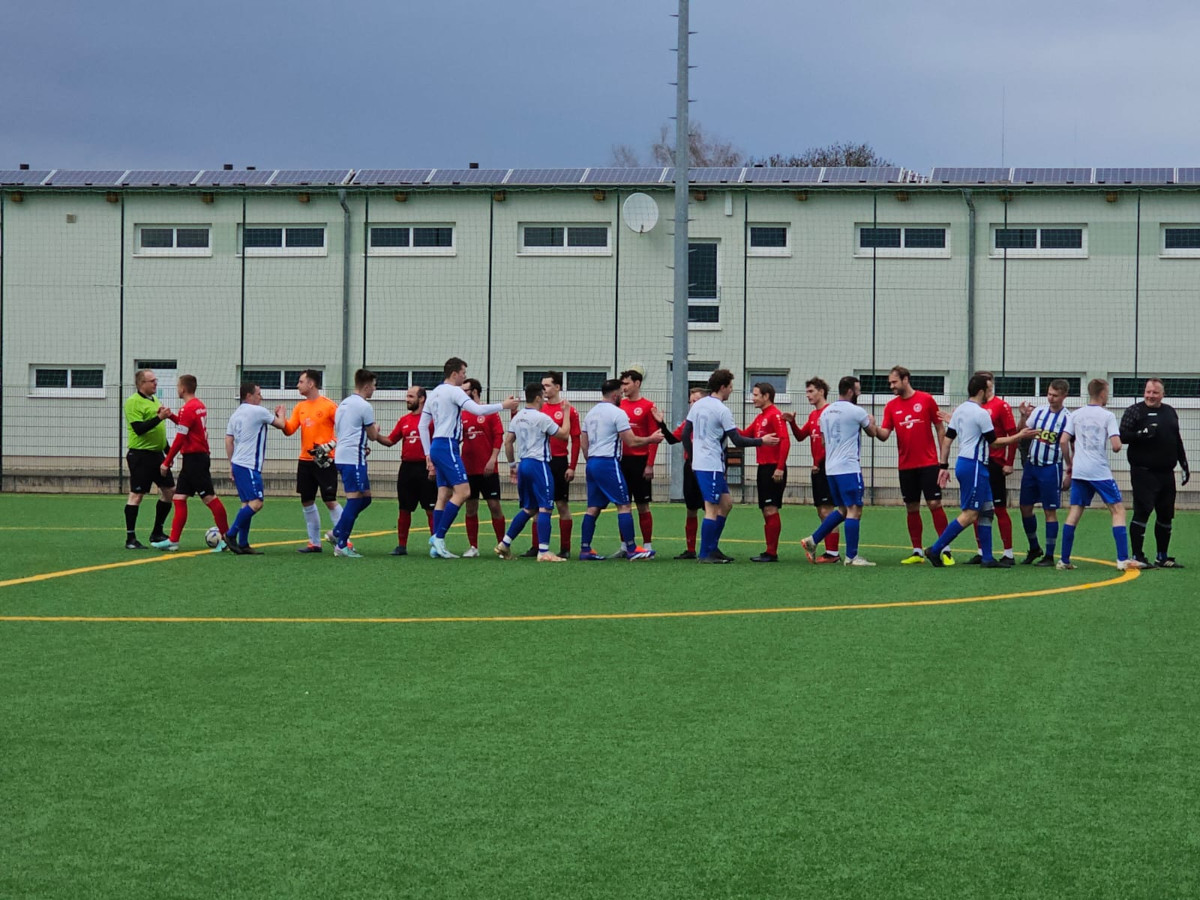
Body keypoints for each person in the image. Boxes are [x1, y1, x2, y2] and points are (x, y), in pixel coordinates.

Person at [924, 374, 1033, 568]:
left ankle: (987, 558)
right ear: (981, 391)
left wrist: (943, 466)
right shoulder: (981, 413)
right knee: (970, 514)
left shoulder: (960, 411)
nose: (989, 393)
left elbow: (948, 441)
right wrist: (1019, 436)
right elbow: (995, 443)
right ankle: (935, 549)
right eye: (988, 389)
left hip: (969, 465)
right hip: (975, 466)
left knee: (987, 511)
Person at [420, 357, 519, 559]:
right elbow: (478, 409)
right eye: (463, 372)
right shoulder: (454, 391)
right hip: (448, 445)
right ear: (455, 373)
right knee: (464, 491)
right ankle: (438, 537)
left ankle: (436, 545)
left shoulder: (435, 392)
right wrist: (504, 404)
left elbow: (423, 425)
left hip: (438, 445)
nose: (465, 376)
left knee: (443, 494)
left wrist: (427, 453)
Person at [684, 369, 779, 564]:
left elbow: (686, 434)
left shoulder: (699, 404)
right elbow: (736, 439)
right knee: (711, 508)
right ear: (722, 387)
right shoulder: (721, 410)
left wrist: (694, 456)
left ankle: (712, 547)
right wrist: (762, 441)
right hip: (709, 464)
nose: (731, 391)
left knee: (726, 504)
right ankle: (705, 554)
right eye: (730, 387)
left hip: (707, 463)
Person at [1058, 379, 1145, 571]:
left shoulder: (1076, 414)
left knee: (1075, 511)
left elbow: (1064, 441)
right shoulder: (1107, 416)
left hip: (1080, 471)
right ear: (1103, 394)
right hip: (1099, 471)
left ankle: (1064, 560)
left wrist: (1070, 463)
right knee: (1118, 510)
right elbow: (1116, 446)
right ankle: (1122, 560)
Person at [578, 378, 665, 561]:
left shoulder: (590, 413)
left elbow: (583, 443)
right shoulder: (617, 413)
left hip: (592, 462)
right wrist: (651, 439)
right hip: (608, 462)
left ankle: (585, 549)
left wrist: (591, 460)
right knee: (624, 505)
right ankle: (632, 549)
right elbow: (631, 441)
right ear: (616, 394)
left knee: (592, 508)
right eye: (621, 391)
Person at [799, 376, 882, 567]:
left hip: (831, 468)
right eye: (858, 390)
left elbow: (821, 441)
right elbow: (872, 433)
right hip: (848, 467)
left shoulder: (826, 412)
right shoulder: (856, 411)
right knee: (855, 509)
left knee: (843, 509)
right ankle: (852, 557)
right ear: (851, 391)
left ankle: (813, 540)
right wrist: (872, 421)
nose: (859, 393)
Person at [874, 365, 950, 564]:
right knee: (911, 507)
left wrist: (943, 461)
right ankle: (917, 551)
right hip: (906, 466)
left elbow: (940, 429)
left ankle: (945, 549)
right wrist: (871, 427)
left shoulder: (926, 399)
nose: (891, 386)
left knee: (935, 504)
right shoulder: (891, 406)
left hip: (929, 463)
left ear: (905, 379)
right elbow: (884, 435)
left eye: (894, 382)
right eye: (890, 383)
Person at [152, 375, 230, 552]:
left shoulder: (187, 408)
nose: (177, 389)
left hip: (195, 459)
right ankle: (173, 540)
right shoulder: (198, 406)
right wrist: (170, 415)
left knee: (209, 498)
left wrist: (166, 461)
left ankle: (227, 539)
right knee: (179, 498)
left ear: (183, 388)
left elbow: (180, 437)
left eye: (178, 386)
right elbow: (187, 427)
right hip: (193, 458)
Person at [1120, 378, 1191, 568]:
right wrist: (1140, 434)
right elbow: (1122, 436)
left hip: (1166, 474)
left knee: (1166, 514)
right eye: (1148, 392)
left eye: (1155, 393)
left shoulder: (1169, 412)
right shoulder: (1134, 411)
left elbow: (1176, 439)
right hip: (1143, 473)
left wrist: (1184, 464)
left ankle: (1162, 556)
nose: (1150, 396)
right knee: (1142, 512)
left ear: (1162, 394)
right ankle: (1137, 556)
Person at [495, 385, 571, 561]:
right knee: (546, 506)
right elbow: (564, 434)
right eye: (543, 397)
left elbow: (508, 442)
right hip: (539, 465)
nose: (545, 400)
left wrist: (513, 464)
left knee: (529, 508)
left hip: (524, 464)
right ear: (537, 398)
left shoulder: (518, 416)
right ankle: (543, 552)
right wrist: (566, 412)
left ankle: (504, 544)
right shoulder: (542, 418)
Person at [518, 371, 581, 558]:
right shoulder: (538, 410)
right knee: (537, 505)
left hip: (559, 462)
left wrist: (572, 466)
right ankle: (536, 546)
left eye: (547, 385)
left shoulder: (569, 410)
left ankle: (565, 548)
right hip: (539, 462)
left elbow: (576, 439)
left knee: (562, 505)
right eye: (542, 385)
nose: (544, 388)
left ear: (557, 387)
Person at [282, 369, 344, 553]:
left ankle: (344, 539)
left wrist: (331, 445)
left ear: (311, 384)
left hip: (324, 461)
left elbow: (345, 430)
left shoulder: (329, 406)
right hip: (305, 461)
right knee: (307, 501)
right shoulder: (300, 407)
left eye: (301, 381)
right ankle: (314, 543)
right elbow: (290, 429)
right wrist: (281, 419)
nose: (297, 385)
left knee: (330, 500)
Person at [223, 382, 287, 554]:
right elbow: (282, 425)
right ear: (249, 396)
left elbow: (228, 441)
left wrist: (231, 464)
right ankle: (230, 534)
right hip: (249, 465)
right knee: (257, 503)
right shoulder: (258, 411)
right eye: (259, 393)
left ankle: (243, 544)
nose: (261, 397)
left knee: (247, 504)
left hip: (238, 463)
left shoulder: (235, 414)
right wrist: (281, 413)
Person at [1016, 378, 1073, 567]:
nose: (1051, 398)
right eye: (1049, 394)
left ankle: (1049, 555)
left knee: (1050, 510)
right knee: (1025, 507)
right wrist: (1023, 416)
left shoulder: (1067, 418)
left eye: (1055, 395)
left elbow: (1072, 445)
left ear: (1064, 396)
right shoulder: (1039, 411)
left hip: (1051, 468)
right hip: (1032, 466)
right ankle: (1034, 548)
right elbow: (1022, 432)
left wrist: (1069, 471)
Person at [783, 378, 840, 563]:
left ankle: (832, 553)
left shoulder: (829, 413)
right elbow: (801, 436)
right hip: (817, 467)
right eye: (807, 392)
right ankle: (827, 550)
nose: (808, 395)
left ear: (821, 391)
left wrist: (819, 462)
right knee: (821, 510)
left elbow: (830, 443)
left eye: (810, 391)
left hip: (826, 467)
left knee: (828, 510)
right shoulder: (813, 415)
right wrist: (792, 422)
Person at [330, 369, 384, 558]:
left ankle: (337, 531)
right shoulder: (364, 406)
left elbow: (348, 432)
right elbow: (372, 435)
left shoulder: (343, 404)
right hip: (353, 458)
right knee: (355, 499)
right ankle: (341, 544)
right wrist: (376, 429)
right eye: (374, 386)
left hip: (345, 455)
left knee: (366, 498)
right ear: (367, 386)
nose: (374, 390)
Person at [967, 372, 1019, 566]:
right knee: (976, 508)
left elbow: (1012, 434)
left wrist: (1009, 462)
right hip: (976, 463)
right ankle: (981, 551)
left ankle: (1009, 553)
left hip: (995, 464)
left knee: (999, 509)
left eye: (987, 382)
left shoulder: (1000, 406)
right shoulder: (974, 407)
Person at [378, 386, 437, 556]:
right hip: (407, 469)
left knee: (430, 509)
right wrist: (374, 435)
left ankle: (436, 544)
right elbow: (390, 440)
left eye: (411, 396)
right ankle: (401, 545)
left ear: (422, 399)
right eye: (407, 396)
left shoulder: (432, 421)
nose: (407, 399)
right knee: (404, 508)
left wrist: (434, 466)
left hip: (426, 468)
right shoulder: (403, 420)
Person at [122, 368, 175, 549]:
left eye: (155, 380)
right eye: (152, 381)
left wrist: (168, 451)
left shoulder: (154, 400)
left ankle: (157, 532)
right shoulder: (133, 402)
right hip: (140, 455)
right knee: (137, 495)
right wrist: (159, 417)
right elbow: (139, 429)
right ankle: (130, 538)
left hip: (157, 455)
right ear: (141, 384)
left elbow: (158, 432)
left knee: (169, 491)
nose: (155, 383)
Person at [652, 387, 706, 559]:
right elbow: (672, 439)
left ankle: (710, 547)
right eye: (690, 401)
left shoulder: (711, 419)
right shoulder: (687, 423)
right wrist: (661, 423)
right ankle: (690, 550)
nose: (691, 404)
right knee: (691, 508)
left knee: (711, 509)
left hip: (707, 468)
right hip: (690, 468)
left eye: (695, 401)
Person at [459, 378, 507, 559]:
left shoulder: (490, 412)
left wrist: (492, 459)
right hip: (468, 469)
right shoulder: (461, 414)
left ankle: (502, 546)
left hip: (488, 469)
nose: (461, 394)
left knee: (494, 506)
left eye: (465, 390)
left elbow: (498, 437)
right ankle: (473, 547)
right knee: (471, 507)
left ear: (475, 391)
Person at [743, 382, 790, 562]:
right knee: (765, 509)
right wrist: (725, 426)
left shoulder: (775, 415)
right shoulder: (760, 417)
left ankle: (772, 552)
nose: (752, 398)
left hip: (773, 469)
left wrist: (779, 467)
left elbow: (785, 441)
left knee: (771, 508)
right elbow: (744, 435)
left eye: (755, 395)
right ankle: (769, 551)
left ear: (766, 396)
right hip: (763, 468)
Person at [619, 367, 659, 554]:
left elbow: (654, 437)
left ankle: (648, 545)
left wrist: (650, 464)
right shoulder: (619, 405)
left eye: (627, 383)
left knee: (642, 505)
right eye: (622, 384)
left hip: (640, 461)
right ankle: (625, 545)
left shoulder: (648, 406)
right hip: (621, 460)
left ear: (637, 383)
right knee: (623, 504)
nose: (624, 387)